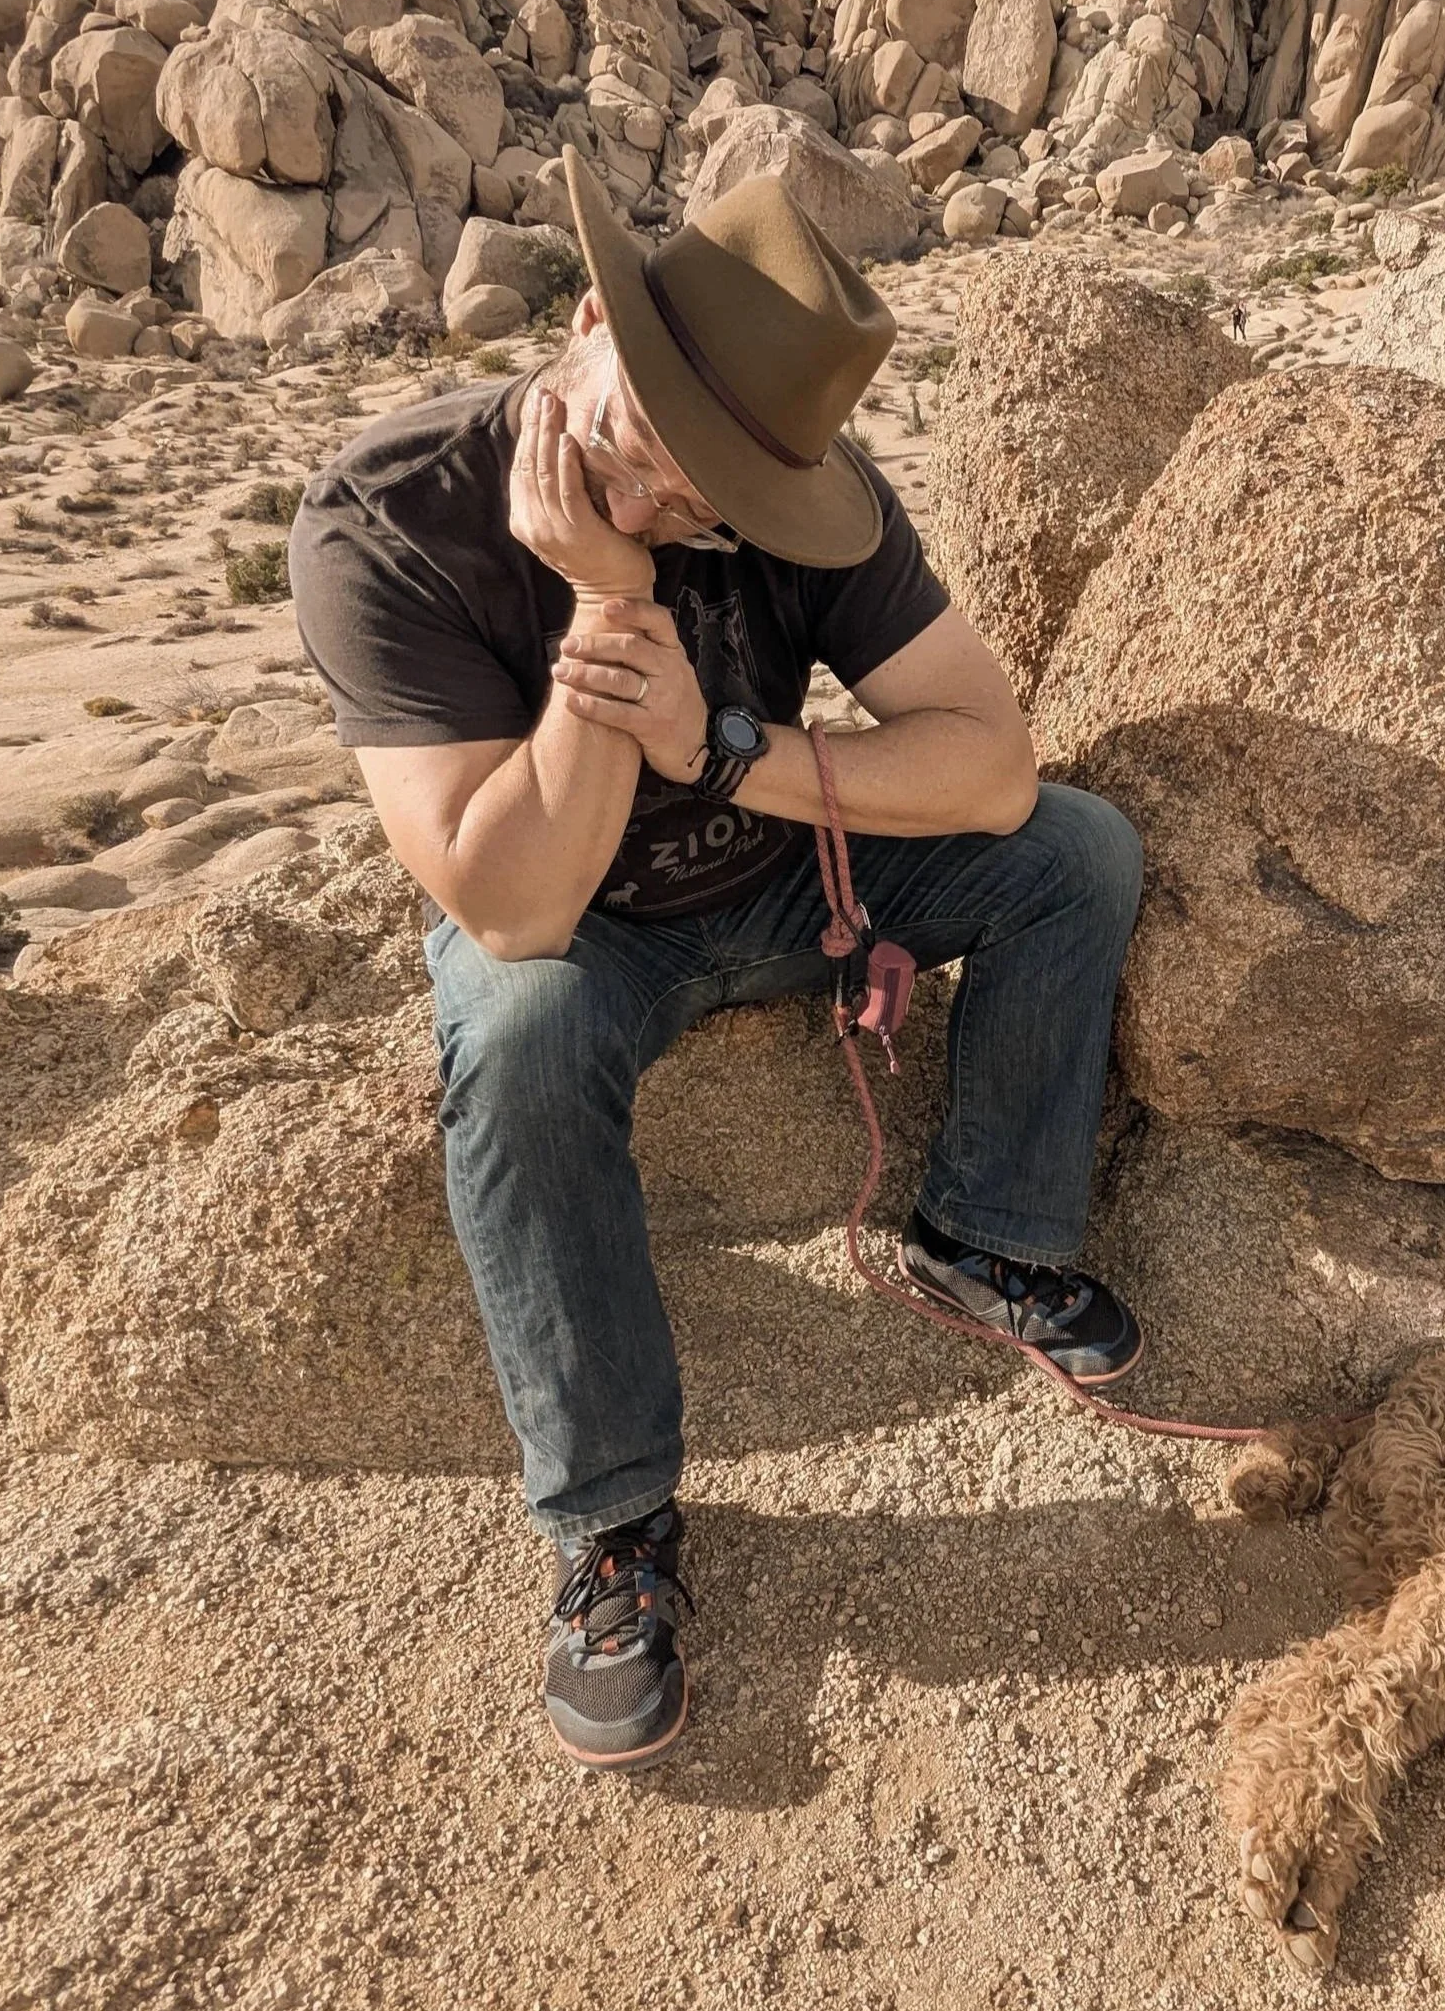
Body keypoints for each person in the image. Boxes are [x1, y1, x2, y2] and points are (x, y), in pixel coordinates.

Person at [289, 149, 1145, 1773]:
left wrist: (730, 748)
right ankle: (613, 1523)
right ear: (593, 323)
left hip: (782, 868)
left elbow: (990, 762)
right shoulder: (386, 519)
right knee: (519, 1035)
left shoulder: (795, 482)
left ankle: (982, 1233)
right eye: (653, 450)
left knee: (1077, 857)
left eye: (716, 502)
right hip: (584, 929)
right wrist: (614, 596)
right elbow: (515, 899)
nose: (679, 505)